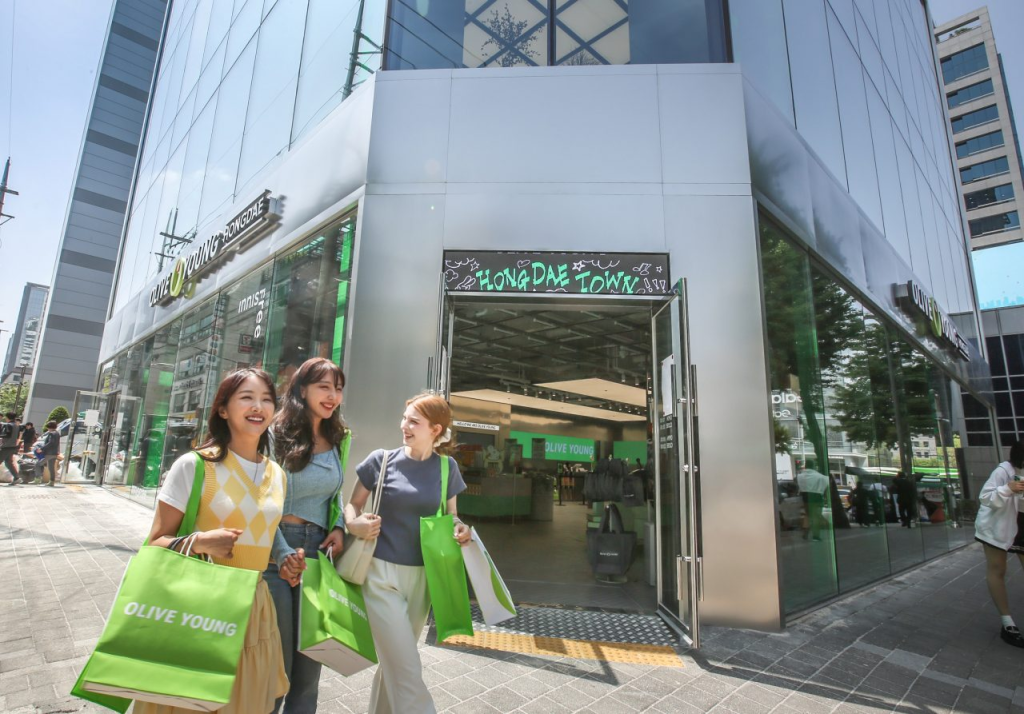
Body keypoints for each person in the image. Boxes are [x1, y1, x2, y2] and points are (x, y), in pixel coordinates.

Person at [141, 368, 289, 713]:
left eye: (267, 399)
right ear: (223, 409)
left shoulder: (278, 474)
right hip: (198, 611)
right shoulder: (193, 466)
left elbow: (258, 543)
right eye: (247, 398)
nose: (258, 406)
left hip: (254, 608)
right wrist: (200, 542)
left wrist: (282, 559)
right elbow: (154, 544)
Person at [346, 393, 470, 714]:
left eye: (414, 421)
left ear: (435, 429)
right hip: (380, 575)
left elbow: (452, 515)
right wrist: (354, 523)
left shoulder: (447, 468)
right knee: (406, 666)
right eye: (404, 418)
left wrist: (460, 529)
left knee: (395, 665)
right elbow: (353, 504)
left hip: (423, 578)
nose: (405, 426)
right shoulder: (381, 460)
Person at [265, 358, 349, 714]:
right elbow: (260, 499)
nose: (332, 396)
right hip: (275, 550)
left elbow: (336, 494)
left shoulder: (339, 437)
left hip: (317, 556)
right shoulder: (273, 433)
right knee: (276, 664)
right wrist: (282, 553)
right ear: (302, 390)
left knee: (310, 664)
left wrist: (340, 526)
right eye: (324, 387)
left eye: (338, 388)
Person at [974, 440, 1024, 648]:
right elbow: (985, 497)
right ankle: (1007, 623)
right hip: (998, 525)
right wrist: (1008, 488)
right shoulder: (1005, 470)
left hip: (1021, 523)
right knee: (997, 569)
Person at [796, 459, 829, 541]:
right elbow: (826, 485)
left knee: (807, 515)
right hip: (817, 496)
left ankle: (805, 533)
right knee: (816, 517)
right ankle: (816, 536)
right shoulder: (820, 477)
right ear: (814, 466)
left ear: (806, 466)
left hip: (805, 496)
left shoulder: (799, 476)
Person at [36, 420, 60, 486]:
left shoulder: (51, 433)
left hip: (49, 453)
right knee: (51, 468)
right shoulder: (57, 433)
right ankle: (52, 481)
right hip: (54, 453)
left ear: (49, 427)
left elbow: (50, 443)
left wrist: (41, 449)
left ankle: (37, 479)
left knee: (38, 464)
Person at [2, 412, 22, 485]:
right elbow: (17, 437)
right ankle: (16, 478)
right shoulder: (17, 426)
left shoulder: (8, 425)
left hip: (6, 446)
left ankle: (17, 477)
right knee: (8, 463)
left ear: (7, 417)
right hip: (13, 446)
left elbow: (6, 435)